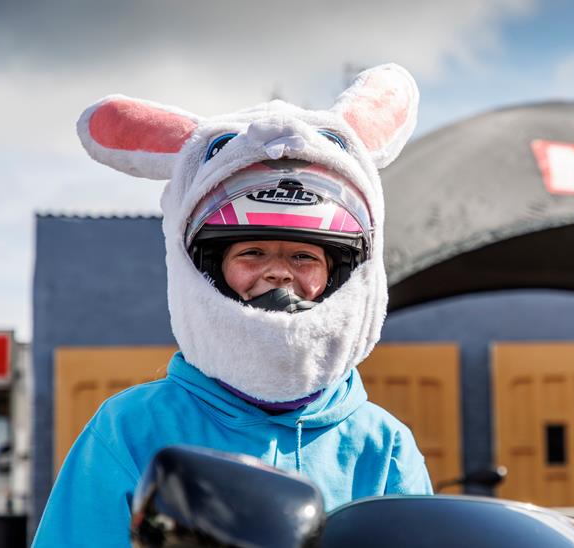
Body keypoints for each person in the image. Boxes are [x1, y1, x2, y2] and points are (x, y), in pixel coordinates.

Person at [33, 64, 431, 547]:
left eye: (304, 256)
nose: (278, 273)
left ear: (340, 272)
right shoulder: (131, 428)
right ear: (207, 266)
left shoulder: (381, 444)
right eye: (252, 253)